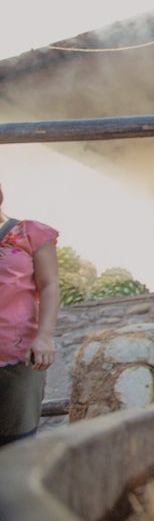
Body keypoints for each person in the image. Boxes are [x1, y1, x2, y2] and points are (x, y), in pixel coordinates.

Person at [0, 182, 60, 446]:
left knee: (17, 447)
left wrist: (45, 336)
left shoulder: (30, 234)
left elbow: (49, 286)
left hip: (18, 356)